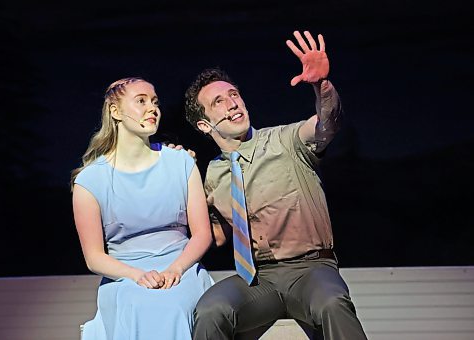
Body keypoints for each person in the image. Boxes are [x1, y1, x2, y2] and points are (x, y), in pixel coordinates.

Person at [184, 31, 368, 339]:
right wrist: (179, 176)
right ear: (205, 125)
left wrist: (321, 85)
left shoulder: (285, 140)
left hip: (310, 271)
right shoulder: (213, 173)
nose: (232, 103)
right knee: (210, 310)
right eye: (219, 101)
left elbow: (328, 123)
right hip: (259, 280)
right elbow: (215, 236)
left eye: (234, 94)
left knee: (332, 303)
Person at [71, 77, 213, 340]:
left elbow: (203, 234)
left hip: (181, 266)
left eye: (155, 102)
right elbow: (93, 257)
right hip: (124, 274)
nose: (153, 108)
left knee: (173, 305)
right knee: (136, 304)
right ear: (115, 111)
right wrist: (135, 275)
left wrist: (176, 269)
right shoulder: (90, 181)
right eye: (141, 101)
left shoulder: (181, 162)